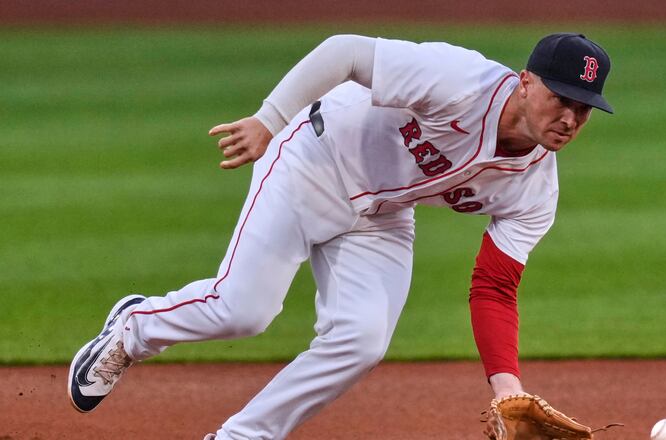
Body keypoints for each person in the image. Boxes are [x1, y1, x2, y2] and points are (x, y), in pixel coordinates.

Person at [68, 32, 612, 439]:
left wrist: (507, 388)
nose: (570, 117)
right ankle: (134, 329)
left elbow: (494, 288)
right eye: (560, 98)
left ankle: (242, 436)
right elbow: (347, 52)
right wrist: (269, 118)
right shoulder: (460, 80)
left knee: (362, 339)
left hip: (381, 211)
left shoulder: (536, 190)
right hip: (312, 158)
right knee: (244, 311)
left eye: (583, 108)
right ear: (525, 82)